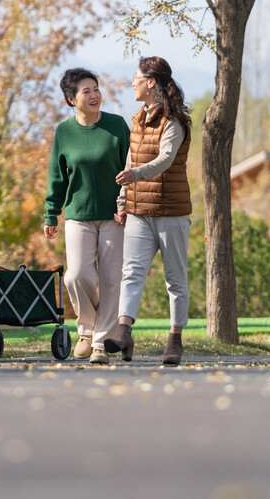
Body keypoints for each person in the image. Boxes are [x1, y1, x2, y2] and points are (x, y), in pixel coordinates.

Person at [104, 56, 193, 367]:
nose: (133, 83)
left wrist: (137, 175)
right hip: (139, 211)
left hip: (172, 212)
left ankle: (175, 339)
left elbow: (166, 159)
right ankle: (124, 332)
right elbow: (130, 161)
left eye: (137, 78)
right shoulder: (138, 118)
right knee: (131, 274)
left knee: (175, 279)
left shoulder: (174, 122)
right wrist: (122, 201)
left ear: (151, 82)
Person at [43, 69, 130, 365]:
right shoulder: (64, 132)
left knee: (110, 279)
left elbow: (130, 171)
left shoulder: (117, 126)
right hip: (78, 215)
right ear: (71, 99)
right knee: (76, 275)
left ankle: (101, 344)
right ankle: (87, 330)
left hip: (113, 216)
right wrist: (50, 213)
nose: (94, 95)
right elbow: (57, 176)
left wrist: (126, 205)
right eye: (86, 91)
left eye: (96, 89)